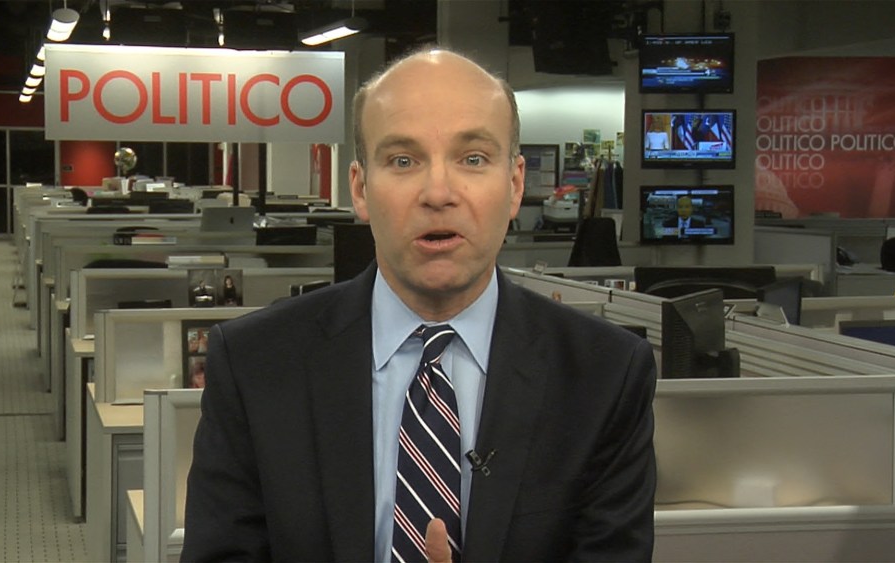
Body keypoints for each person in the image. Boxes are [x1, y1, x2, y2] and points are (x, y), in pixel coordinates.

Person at [182, 47, 657, 562]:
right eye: (403, 161)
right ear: (360, 189)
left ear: (515, 185)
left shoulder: (604, 376)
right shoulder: (254, 363)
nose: (438, 192)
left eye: (473, 159)